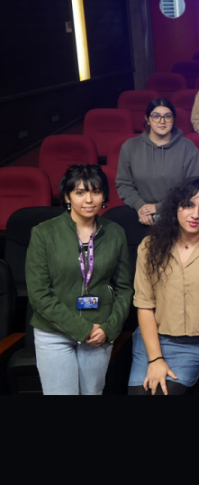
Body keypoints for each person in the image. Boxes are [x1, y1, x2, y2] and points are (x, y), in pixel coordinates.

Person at [26, 165, 132, 395]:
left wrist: (109, 328)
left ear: (104, 196)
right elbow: (39, 295)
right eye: (80, 192)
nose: (89, 199)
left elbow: (124, 289)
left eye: (96, 191)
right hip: (54, 332)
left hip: (99, 331)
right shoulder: (44, 233)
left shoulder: (115, 233)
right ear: (67, 196)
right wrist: (82, 328)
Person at [129, 177, 199, 395]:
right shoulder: (149, 246)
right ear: (175, 207)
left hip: (192, 345)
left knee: (164, 393)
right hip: (151, 341)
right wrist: (156, 359)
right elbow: (144, 305)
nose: (195, 214)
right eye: (188, 205)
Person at [116, 98, 199, 226]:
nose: (162, 121)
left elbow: (192, 187)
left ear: (173, 119)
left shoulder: (188, 147)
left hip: (178, 214)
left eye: (167, 116)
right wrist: (141, 207)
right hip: (141, 214)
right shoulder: (130, 147)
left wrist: (160, 207)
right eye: (156, 116)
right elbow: (124, 184)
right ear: (147, 119)